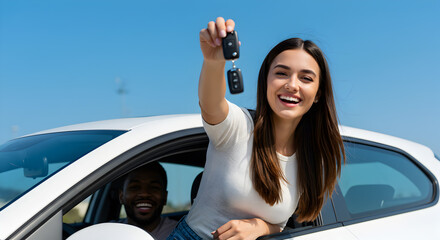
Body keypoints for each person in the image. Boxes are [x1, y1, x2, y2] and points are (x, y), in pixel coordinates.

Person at [167, 17, 345, 240]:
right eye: (281, 73)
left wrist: (260, 226)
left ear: (318, 93)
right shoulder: (239, 127)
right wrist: (213, 62)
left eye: (306, 78)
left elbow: (280, 222)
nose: (292, 84)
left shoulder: (310, 156)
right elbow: (211, 104)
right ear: (266, 80)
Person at [119, 162, 177, 240]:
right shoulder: (107, 233)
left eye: (154, 187)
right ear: (121, 196)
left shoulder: (180, 234)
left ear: (165, 197)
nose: (144, 194)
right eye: (135, 187)